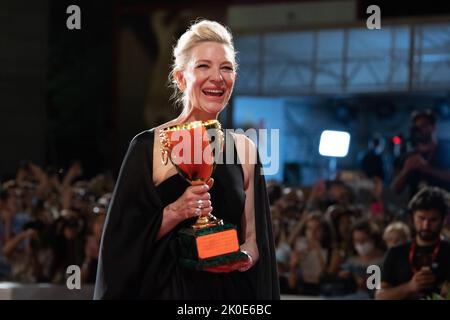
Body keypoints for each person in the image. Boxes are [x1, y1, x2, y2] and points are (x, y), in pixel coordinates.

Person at [94, 20, 279, 299]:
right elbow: (120, 244)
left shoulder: (244, 149)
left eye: (226, 68)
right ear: (181, 78)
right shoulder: (149, 146)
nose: (217, 77)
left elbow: (255, 239)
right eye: (203, 66)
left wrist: (242, 257)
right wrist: (175, 211)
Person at [376, 187, 450, 300]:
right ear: (412, 218)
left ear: (444, 220)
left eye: (433, 220)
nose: (426, 225)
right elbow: (380, 296)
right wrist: (410, 287)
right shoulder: (396, 253)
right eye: (421, 218)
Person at [391, 109, 450, 199]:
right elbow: (396, 189)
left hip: (443, 206)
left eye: (424, 125)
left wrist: (426, 168)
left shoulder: (445, 150)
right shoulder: (409, 154)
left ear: (433, 127)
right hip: (418, 208)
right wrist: (406, 170)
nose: (421, 129)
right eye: (417, 127)